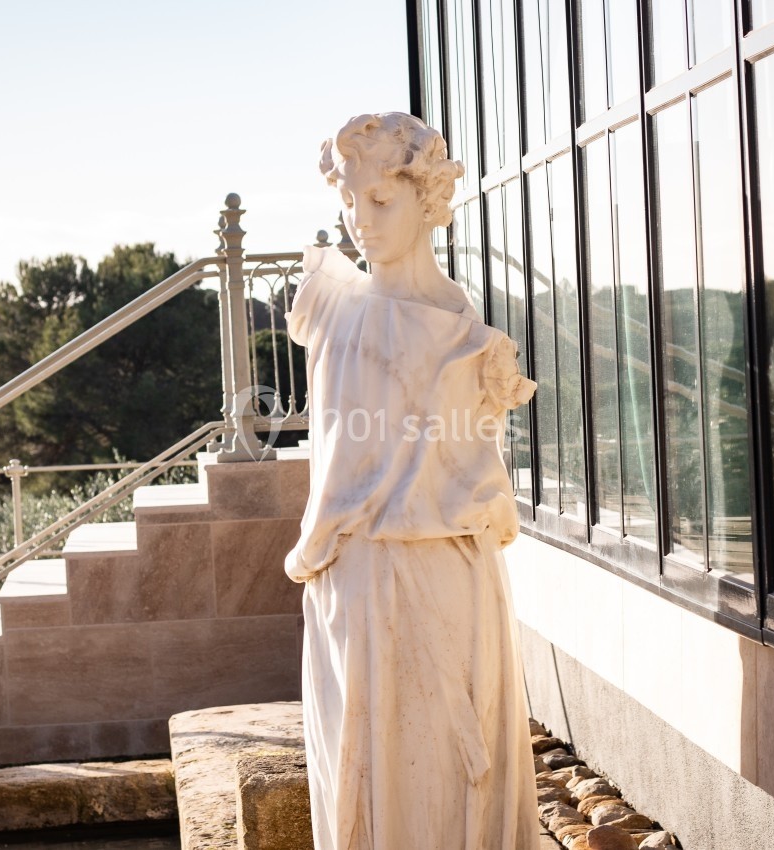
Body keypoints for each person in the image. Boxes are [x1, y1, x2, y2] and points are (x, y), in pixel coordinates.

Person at [283, 112, 541, 850]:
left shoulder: (462, 328)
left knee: (446, 789)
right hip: (357, 580)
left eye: (381, 202)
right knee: (371, 787)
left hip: (443, 579)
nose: (361, 223)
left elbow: (466, 460)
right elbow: (334, 460)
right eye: (350, 204)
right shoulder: (333, 308)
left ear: (425, 198)